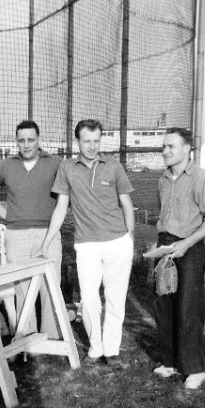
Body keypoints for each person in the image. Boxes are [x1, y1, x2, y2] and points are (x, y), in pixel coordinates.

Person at [41, 119, 135, 369]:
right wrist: (46, 242)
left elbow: (126, 205)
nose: (92, 146)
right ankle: (95, 348)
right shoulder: (67, 168)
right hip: (87, 245)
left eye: (96, 141)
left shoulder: (114, 166)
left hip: (117, 242)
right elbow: (61, 207)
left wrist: (130, 238)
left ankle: (112, 351)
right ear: (78, 141)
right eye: (87, 141)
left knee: (116, 298)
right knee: (90, 300)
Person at [152, 128, 205, 390]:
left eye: (171, 146)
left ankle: (194, 369)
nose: (166, 151)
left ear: (187, 149)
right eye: (164, 147)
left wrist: (186, 243)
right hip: (165, 248)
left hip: (190, 249)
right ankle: (169, 362)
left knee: (189, 308)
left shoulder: (203, 179)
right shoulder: (163, 178)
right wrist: (163, 243)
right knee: (164, 305)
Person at [0, 120, 62, 338]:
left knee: (50, 285)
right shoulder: (6, 165)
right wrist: (3, 212)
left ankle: (53, 336)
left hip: (48, 234)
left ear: (39, 139)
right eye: (22, 140)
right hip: (16, 234)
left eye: (31, 140)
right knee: (22, 287)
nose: (27, 145)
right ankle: (27, 337)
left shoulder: (55, 163)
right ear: (16, 142)